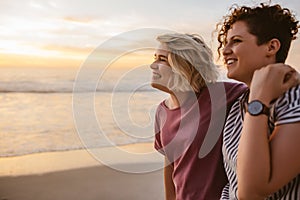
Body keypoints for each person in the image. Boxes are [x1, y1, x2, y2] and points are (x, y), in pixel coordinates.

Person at [216, 3, 300, 199]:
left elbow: (252, 192)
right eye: (225, 43)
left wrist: (258, 100)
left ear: (271, 47)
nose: (225, 51)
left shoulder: (293, 99)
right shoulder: (238, 104)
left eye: (236, 41)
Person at [150, 33, 247, 200]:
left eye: (162, 59)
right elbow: (170, 166)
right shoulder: (161, 112)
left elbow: (261, 85)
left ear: (184, 65)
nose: (153, 65)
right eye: (155, 58)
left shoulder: (220, 95)